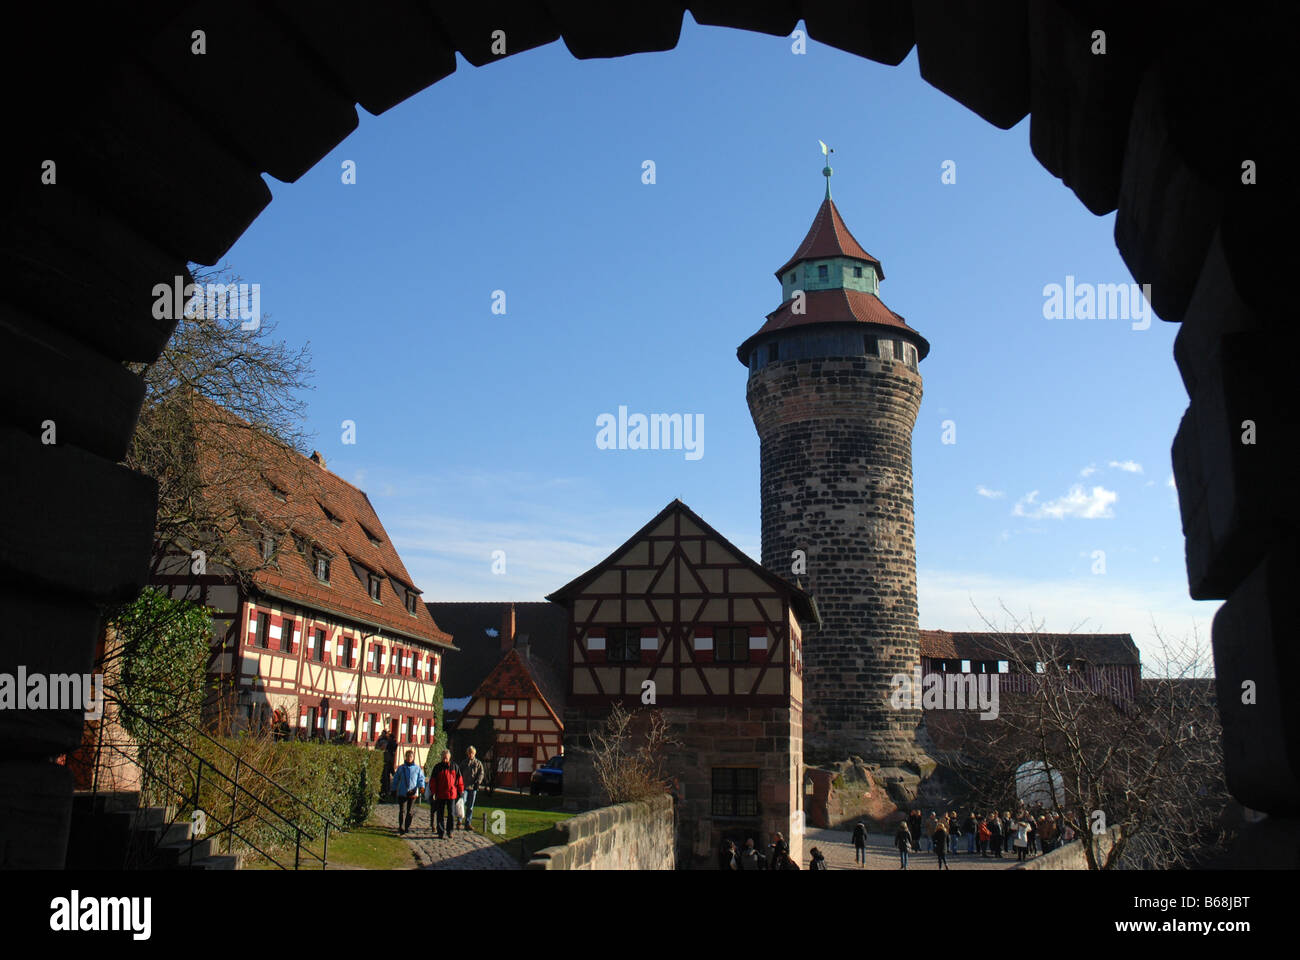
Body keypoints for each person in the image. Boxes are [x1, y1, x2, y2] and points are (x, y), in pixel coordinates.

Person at [426, 748, 464, 838]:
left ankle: (450, 831)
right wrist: (434, 792)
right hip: (440, 794)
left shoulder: (455, 766)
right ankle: (441, 832)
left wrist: (460, 791)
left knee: (451, 814)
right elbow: (433, 781)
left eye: (446, 758)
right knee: (440, 814)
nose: (445, 760)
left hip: (451, 794)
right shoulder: (437, 767)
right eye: (443, 758)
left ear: (449, 757)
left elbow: (459, 780)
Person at [390, 749, 425, 834]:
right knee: (402, 810)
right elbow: (396, 779)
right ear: (405, 757)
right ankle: (401, 826)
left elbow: (421, 779)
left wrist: (421, 787)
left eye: (411, 756)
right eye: (408, 756)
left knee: (410, 811)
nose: (409, 758)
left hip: (413, 792)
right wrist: (394, 789)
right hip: (402, 792)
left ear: (413, 758)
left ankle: (407, 826)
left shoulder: (417, 769)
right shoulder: (401, 768)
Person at [462, 746, 485, 831]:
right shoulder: (464, 763)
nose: (470, 754)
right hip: (464, 786)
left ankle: (468, 822)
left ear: (474, 754)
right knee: (462, 803)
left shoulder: (478, 763)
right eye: (469, 753)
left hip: (473, 787)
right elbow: (460, 772)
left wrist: (478, 782)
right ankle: (460, 820)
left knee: (470, 806)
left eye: (472, 753)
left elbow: (481, 773)